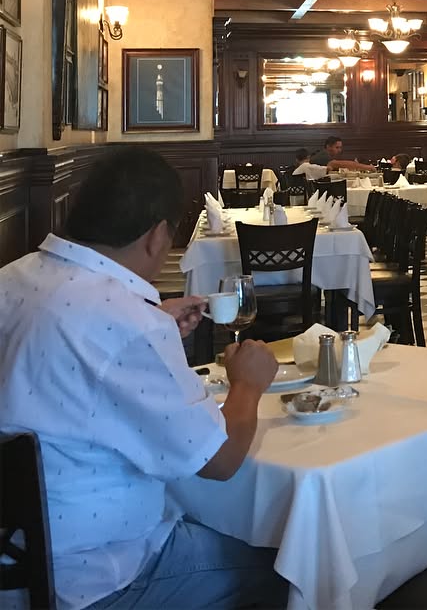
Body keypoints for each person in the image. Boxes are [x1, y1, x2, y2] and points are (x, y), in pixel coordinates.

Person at [0, 146, 288, 610]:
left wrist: (147, 323)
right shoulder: (127, 322)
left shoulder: (13, 278)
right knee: (292, 564)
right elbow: (219, 462)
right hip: (93, 580)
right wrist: (247, 384)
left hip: (15, 566)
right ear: (157, 236)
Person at [310, 135, 376, 172]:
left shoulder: (324, 154)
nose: (339, 150)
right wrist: (368, 167)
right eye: (337, 147)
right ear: (328, 146)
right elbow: (341, 164)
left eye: (340, 147)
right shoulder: (323, 155)